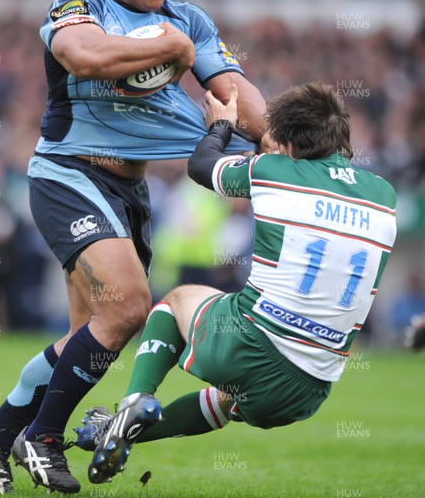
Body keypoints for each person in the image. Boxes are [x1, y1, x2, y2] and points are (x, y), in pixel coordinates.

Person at [0, 0, 266, 495]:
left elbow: (233, 95)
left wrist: (280, 141)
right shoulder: (78, 4)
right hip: (68, 173)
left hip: (132, 192)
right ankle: (41, 441)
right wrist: (166, 49)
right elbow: (85, 58)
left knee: (91, 338)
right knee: (127, 309)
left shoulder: (188, 20)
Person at [73, 81, 397, 485]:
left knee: (175, 302)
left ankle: (135, 399)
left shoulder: (274, 170)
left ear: (291, 147)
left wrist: (221, 127)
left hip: (249, 346)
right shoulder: (384, 195)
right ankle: (117, 434)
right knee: (227, 401)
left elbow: (200, 167)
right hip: (310, 388)